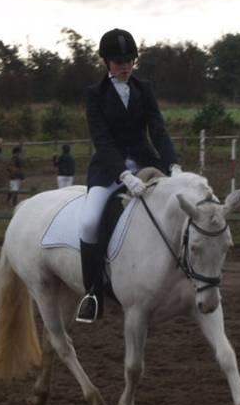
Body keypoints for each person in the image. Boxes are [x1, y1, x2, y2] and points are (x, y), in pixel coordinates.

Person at [76, 28, 181, 323]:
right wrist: (123, 174)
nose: (125, 65)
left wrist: (172, 165)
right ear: (106, 63)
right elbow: (102, 140)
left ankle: (182, 278)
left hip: (147, 166)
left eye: (129, 60)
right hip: (109, 170)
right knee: (88, 222)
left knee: (177, 208)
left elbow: (157, 129)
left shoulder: (143, 89)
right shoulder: (95, 95)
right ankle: (93, 293)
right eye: (119, 61)